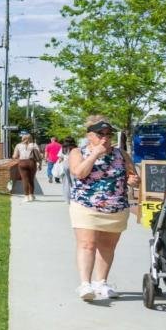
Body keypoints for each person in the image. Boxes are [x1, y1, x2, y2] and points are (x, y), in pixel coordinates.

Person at [66, 117, 139, 301]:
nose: (105, 138)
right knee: (87, 244)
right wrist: (94, 154)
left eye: (108, 134)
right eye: (100, 134)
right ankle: (85, 285)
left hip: (116, 208)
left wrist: (133, 181)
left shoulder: (121, 154)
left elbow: (133, 176)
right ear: (89, 135)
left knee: (107, 247)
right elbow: (79, 172)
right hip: (86, 206)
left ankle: (101, 282)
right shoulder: (78, 152)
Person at [12, 133, 43, 201]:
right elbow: (39, 156)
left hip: (22, 163)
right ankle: (31, 195)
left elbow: (14, 156)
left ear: (22, 138)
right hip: (31, 162)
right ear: (31, 138)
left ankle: (26, 196)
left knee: (25, 180)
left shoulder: (18, 145)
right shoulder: (34, 145)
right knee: (31, 179)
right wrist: (40, 165)